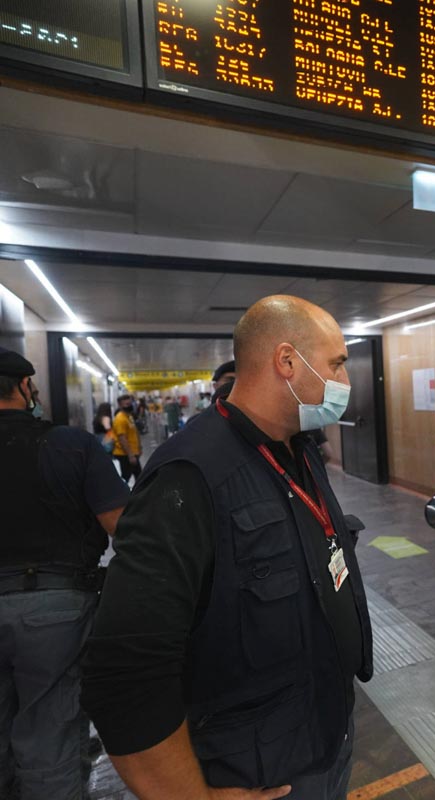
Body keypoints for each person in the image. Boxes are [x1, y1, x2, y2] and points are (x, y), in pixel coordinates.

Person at [81, 295, 373, 800]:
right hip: (259, 775)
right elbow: (125, 675)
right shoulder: (189, 477)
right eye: (337, 364)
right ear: (287, 362)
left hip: (325, 739)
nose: (345, 380)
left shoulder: (298, 450)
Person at [0, 348, 129, 800]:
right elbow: (123, 528)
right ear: (23, 387)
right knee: (49, 735)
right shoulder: (71, 445)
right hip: (55, 609)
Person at [111, 394, 142, 485]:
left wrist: (139, 448)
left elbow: (134, 432)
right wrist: (131, 455)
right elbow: (122, 439)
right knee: (129, 476)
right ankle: (120, 495)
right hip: (125, 454)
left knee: (135, 475)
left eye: (130, 403)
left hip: (132, 452)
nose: (129, 406)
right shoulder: (120, 419)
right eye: (126, 404)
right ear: (120, 405)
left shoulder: (129, 416)